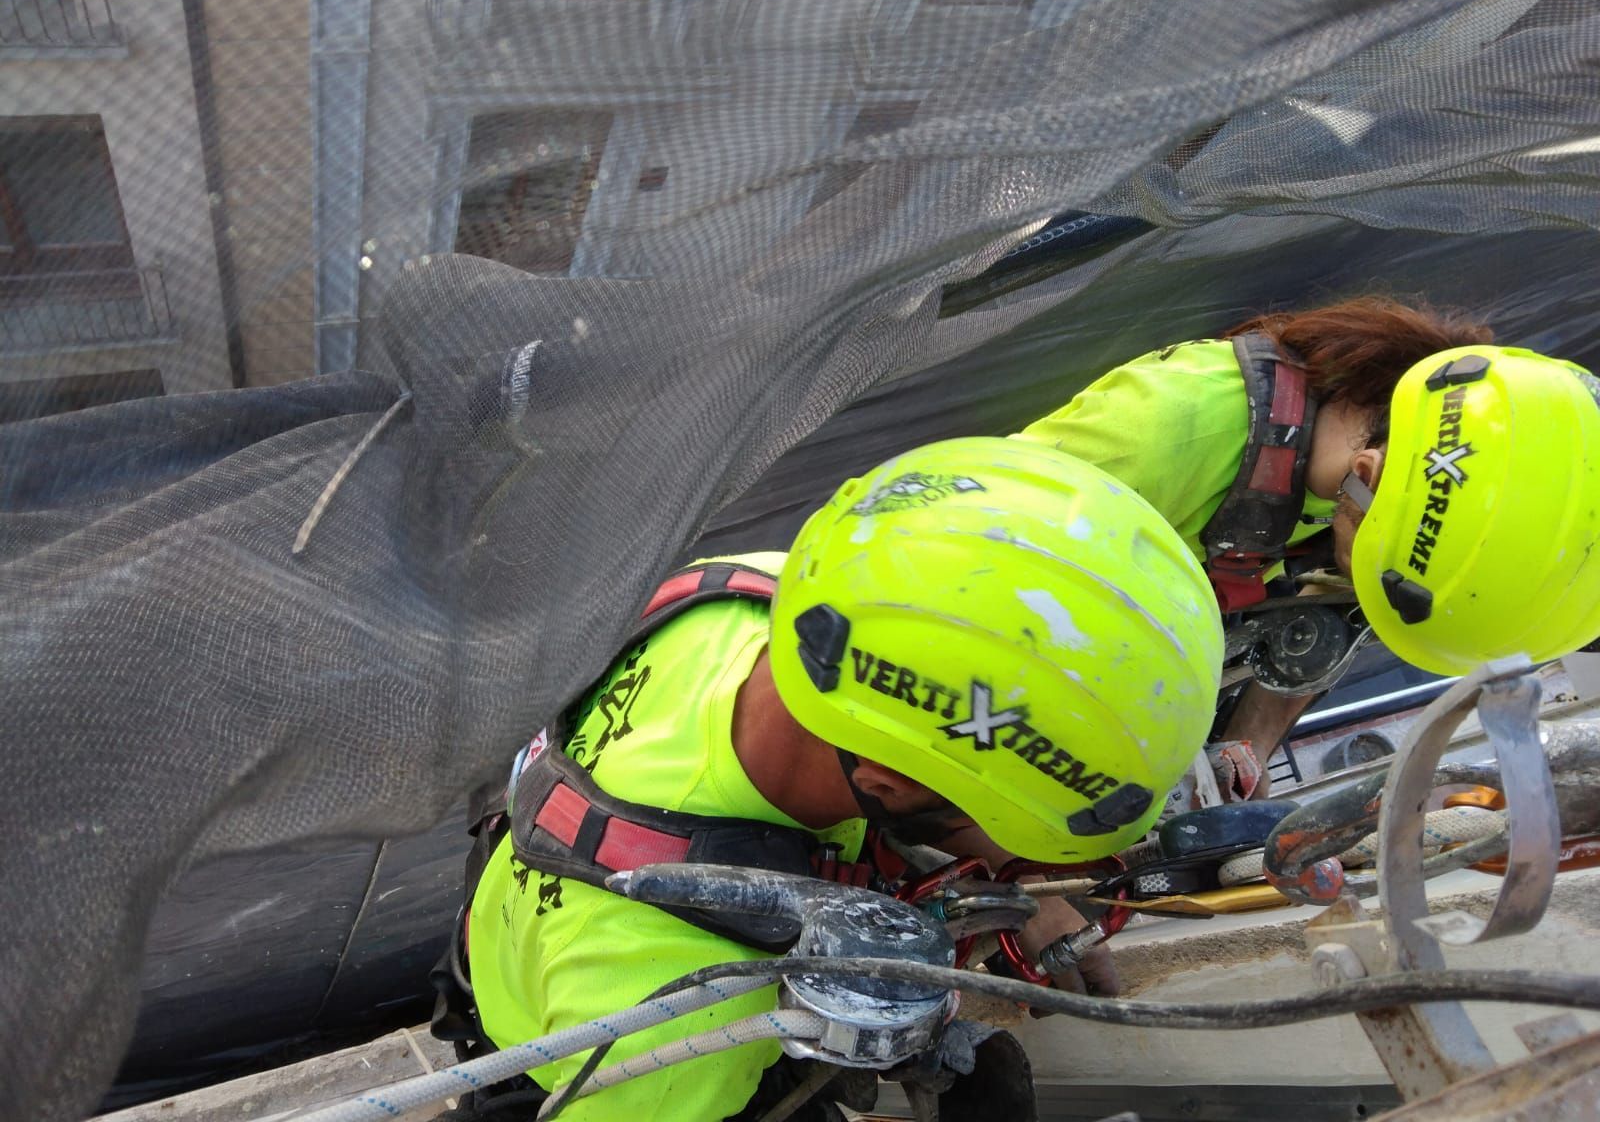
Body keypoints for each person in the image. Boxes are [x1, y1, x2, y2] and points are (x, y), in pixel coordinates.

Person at [436, 436, 1224, 1120]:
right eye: (1018, 832)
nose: (1031, 861)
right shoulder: (677, 1025)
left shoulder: (766, 602)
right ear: (885, 783)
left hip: (523, 910)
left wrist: (1018, 890)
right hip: (569, 1058)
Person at [1012, 297, 1493, 792]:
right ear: (1371, 469)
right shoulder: (1174, 421)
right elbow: (974, 547)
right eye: (1385, 541)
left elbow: (1323, 626)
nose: (1369, 571)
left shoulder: (1352, 485)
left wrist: (1245, 752)